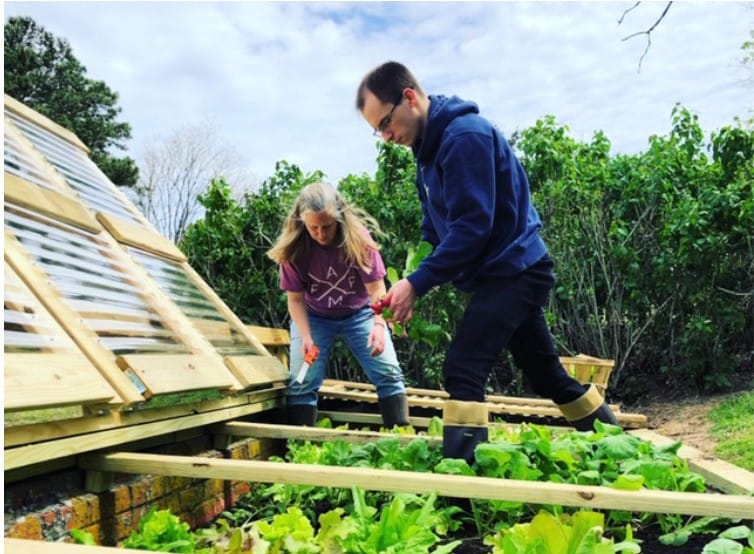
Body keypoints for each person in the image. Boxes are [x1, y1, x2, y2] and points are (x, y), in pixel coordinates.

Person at [355, 61, 619, 463]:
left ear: (409, 97)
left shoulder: (464, 138)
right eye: (378, 130)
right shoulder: (426, 154)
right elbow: (434, 230)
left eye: (386, 122)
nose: (386, 136)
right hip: (505, 274)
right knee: (545, 374)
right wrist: (408, 284)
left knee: (462, 367)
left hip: (515, 272)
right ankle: (615, 439)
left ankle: (462, 490)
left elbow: (472, 228)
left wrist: (418, 283)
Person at [266, 181, 409, 428]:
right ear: (303, 223)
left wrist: (378, 324)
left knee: (388, 372)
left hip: (362, 313)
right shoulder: (294, 249)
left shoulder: (358, 239)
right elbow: (295, 299)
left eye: (327, 226)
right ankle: (302, 448)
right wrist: (307, 337)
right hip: (314, 317)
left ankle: (401, 440)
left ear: (339, 218)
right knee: (302, 381)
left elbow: (376, 288)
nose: (321, 234)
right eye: (314, 228)